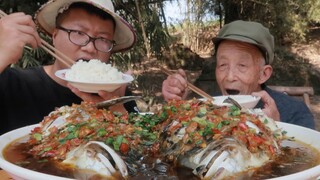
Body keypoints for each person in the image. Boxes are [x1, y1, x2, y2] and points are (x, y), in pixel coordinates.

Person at [0, 0, 137, 135]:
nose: (89, 48)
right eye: (78, 33)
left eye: (103, 39)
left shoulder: (116, 94)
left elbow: (142, 151)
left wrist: (120, 115)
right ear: (55, 36)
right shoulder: (12, 83)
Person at [162, 20, 315, 129]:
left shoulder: (295, 112)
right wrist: (177, 108)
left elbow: (307, 168)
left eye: (242, 65)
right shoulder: (205, 109)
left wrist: (278, 130)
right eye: (223, 65)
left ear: (263, 74)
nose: (229, 77)